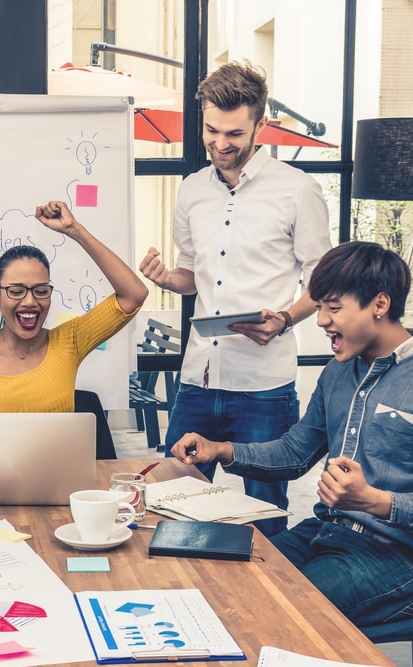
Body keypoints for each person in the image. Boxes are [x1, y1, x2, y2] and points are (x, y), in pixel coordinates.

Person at [170, 241, 413, 628]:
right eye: (319, 306)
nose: (321, 320)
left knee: (261, 612)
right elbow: (295, 452)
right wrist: (220, 450)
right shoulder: (339, 372)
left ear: (380, 304)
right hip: (324, 533)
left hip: (398, 559)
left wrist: (371, 500)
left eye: (333, 307)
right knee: (222, 585)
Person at [138, 61, 332, 536]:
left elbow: (324, 281)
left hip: (263, 388)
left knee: (263, 520)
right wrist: (167, 278)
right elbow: (194, 277)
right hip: (197, 381)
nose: (221, 143)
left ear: (260, 125)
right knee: (173, 505)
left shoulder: (297, 190)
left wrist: (285, 318)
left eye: (234, 133)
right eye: (211, 130)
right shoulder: (190, 192)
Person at [0, 200, 148, 417]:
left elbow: (134, 294)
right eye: (16, 291)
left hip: (63, 453)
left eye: (40, 290)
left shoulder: (70, 341)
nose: (29, 302)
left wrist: (74, 230)